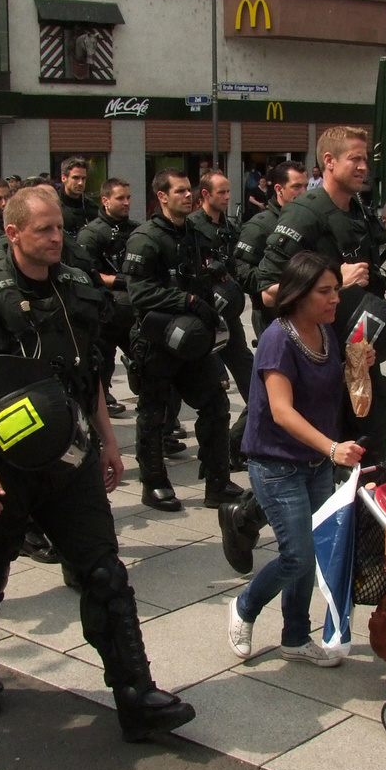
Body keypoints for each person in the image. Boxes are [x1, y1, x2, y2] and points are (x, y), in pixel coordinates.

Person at [0, 185, 196, 741]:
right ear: (13, 233)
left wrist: (108, 441)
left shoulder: (76, 288)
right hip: (1, 462)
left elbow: (91, 372)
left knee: (104, 571)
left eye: (59, 229)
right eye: (45, 230)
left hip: (69, 457)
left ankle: (135, 693)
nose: (57, 238)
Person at [226, 252, 367, 667]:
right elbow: (282, 410)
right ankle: (244, 608)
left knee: (312, 553)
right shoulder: (277, 338)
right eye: (325, 291)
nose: (334, 299)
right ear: (299, 294)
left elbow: (322, 384)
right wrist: (332, 448)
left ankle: (293, 636)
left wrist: (355, 369)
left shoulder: (326, 333)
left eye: (336, 291)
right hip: (276, 465)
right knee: (297, 555)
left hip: (315, 465)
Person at [255, 126, 386, 465]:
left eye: (366, 160)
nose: (363, 167)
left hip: (358, 353)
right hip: (319, 361)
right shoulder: (305, 213)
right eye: (355, 159)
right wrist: (335, 281)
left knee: (372, 449)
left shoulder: (358, 207)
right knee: (323, 461)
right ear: (329, 161)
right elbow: (267, 291)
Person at [125, 169, 242, 512]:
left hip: (193, 340)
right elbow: (138, 292)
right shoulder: (145, 238)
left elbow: (203, 273)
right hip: (157, 339)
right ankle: (155, 484)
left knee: (216, 405)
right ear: (161, 196)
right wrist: (187, 301)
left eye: (189, 190)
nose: (187, 196)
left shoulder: (195, 233)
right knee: (154, 412)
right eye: (179, 191)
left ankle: (218, 482)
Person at [188, 170, 253, 444]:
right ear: (205, 194)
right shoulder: (190, 227)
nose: (227, 197)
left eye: (228, 192)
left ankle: (241, 439)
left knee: (251, 377)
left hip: (229, 315)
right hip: (201, 315)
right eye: (222, 192)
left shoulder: (230, 227)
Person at [77, 178, 138, 416]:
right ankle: (99, 412)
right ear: (105, 200)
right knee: (101, 365)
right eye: (120, 198)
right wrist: (119, 280)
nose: (126, 202)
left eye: (128, 197)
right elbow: (87, 274)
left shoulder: (135, 230)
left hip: (131, 310)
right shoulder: (91, 234)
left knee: (147, 363)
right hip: (103, 310)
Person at [233, 161, 309, 340]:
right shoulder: (259, 226)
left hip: (307, 313)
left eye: (306, 186)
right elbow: (242, 275)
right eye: (296, 187)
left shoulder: (309, 222)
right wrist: (279, 284)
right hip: (272, 317)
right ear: (279, 189)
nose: (303, 192)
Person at [58, 157, 99, 237]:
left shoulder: (91, 207)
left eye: (83, 178)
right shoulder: (54, 205)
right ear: (63, 178)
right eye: (75, 178)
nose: (80, 183)